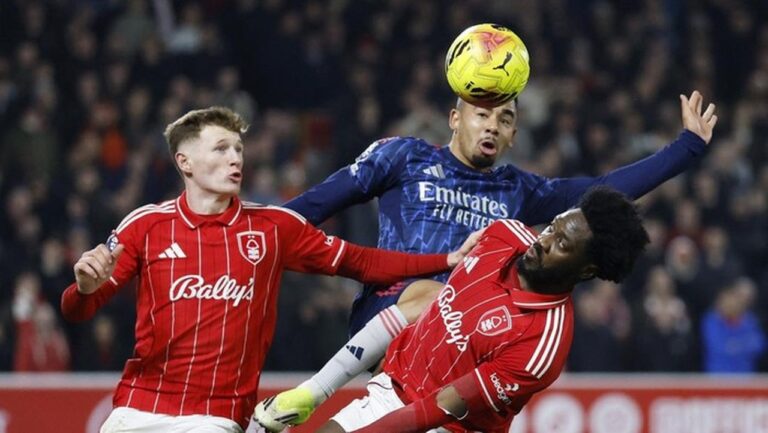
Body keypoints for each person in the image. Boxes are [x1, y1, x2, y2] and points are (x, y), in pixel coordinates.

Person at [253, 90, 718, 426]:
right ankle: (313, 392)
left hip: (463, 362)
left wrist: (687, 148)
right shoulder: (404, 156)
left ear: (514, 136)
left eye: (506, 119)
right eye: (482, 114)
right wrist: (252, 237)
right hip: (395, 322)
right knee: (432, 292)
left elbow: (600, 198)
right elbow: (312, 207)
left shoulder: (519, 192)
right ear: (455, 118)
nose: (492, 125)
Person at [59, 107, 481, 433]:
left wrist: (444, 262)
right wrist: (82, 288)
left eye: (238, 149)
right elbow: (78, 311)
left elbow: (361, 261)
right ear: (184, 162)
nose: (235, 159)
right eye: (221, 148)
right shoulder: (146, 225)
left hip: (214, 418)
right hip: (134, 411)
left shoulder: (272, 228)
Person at [271, 185, 650, 433]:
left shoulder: (541, 345)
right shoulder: (503, 235)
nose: (544, 241)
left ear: (586, 270)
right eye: (551, 227)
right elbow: (428, 299)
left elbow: (440, 407)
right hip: (389, 391)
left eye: (562, 244)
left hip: (442, 425)